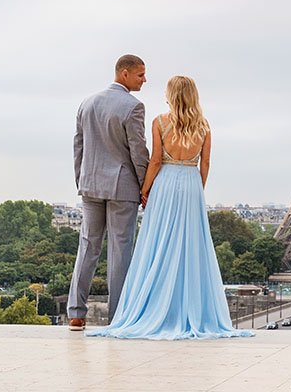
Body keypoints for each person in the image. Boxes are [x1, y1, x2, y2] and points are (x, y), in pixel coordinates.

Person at [88, 76, 253, 340]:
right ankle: (188, 308)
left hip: (165, 184)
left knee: (158, 244)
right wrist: (198, 188)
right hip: (191, 184)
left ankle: (155, 306)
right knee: (191, 247)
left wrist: (145, 190)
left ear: (171, 95)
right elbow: (206, 163)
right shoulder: (204, 126)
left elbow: (154, 161)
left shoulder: (160, 122)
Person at [67, 54, 149, 330]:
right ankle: (118, 316)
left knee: (87, 247)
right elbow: (138, 152)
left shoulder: (87, 103)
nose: (144, 80)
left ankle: (76, 313)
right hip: (122, 187)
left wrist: (82, 179)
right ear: (124, 73)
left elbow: (78, 146)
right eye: (140, 75)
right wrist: (144, 185)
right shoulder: (133, 107)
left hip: (90, 184)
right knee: (120, 252)